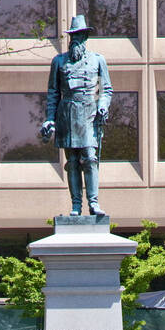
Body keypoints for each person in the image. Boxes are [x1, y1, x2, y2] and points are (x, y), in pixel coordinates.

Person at [41, 15, 112, 216]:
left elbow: (105, 89)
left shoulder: (98, 60)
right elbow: (53, 92)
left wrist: (103, 106)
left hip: (90, 115)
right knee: (72, 162)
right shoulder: (59, 61)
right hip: (68, 115)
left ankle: (93, 202)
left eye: (80, 35)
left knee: (89, 158)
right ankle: (75, 205)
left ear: (85, 37)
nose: (76, 39)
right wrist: (50, 119)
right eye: (73, 35)